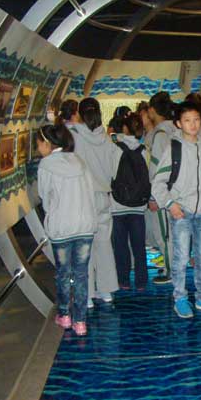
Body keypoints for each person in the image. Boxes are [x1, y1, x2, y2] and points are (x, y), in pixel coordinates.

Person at [151, 101, 201, 318]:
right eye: (187, 120)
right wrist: (170, 204)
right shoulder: (173, 148)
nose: (193, 124)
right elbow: (158, 182)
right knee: (181, 257)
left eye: (196, 120)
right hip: (181, 212)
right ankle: (180, 298)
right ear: (178, 123)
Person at [37, 124, 98, 336]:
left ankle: (64, 315)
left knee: (64, 272)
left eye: (38, 144)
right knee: (81, 274)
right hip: (84, 225)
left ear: (47, 143)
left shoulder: (46, 165)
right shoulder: (79, 161)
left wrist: (52, 213)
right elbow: (90, 191)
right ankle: (80, 321)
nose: (38, 148)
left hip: (61, 226)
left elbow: (45, 197)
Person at [70, 98, 120, 306]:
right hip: (103, 198)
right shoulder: (107, 140)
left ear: (79, 114)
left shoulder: (74, 137)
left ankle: (87, 294)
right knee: (104, 245)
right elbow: (114, 171)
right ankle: (106, 290)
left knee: (84, 247)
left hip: (82, 198)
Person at [111, 112, 149, 291]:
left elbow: (111, 174)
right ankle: (141, 282)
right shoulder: (144, 150)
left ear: (124, 128)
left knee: (120, 246)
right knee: (139, 246)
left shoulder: (115, 148)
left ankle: (123, 280)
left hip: (118, 204)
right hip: (139, 206)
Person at [147, 92, 178, 284]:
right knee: (174, 233)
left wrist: (154, 196)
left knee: (164, 234)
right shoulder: (175, 130)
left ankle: (170, 271)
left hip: (163, 192)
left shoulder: (160, 135)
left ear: (152, 110)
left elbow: (156, 169)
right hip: (177, 189)